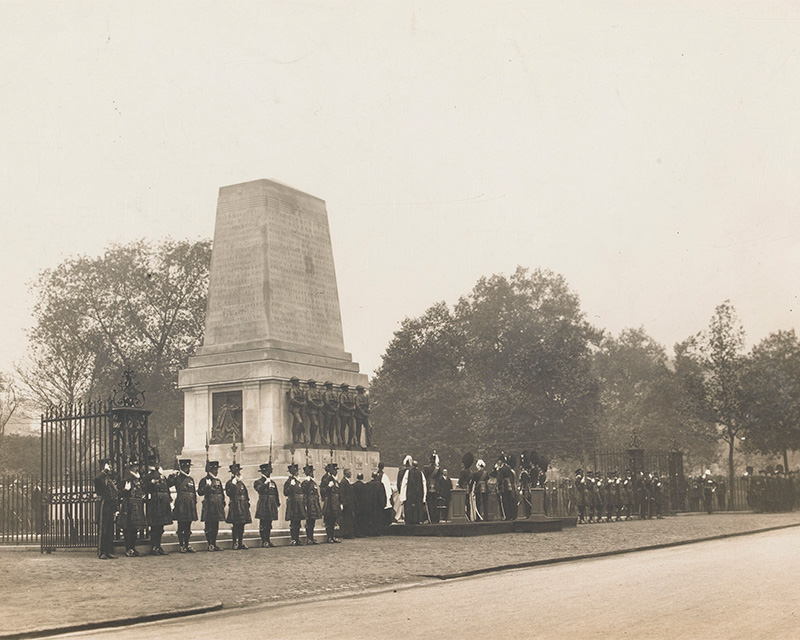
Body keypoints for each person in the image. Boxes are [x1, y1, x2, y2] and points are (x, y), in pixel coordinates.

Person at [144, 453, 172, 556]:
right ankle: (154, 546)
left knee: (160, 526)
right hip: (155, 502)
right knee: (155, 526)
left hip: (163, 502)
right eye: (154, 462)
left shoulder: (162, 476)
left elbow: (166, 487)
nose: (156, 464)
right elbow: (145, 489)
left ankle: (158, 546)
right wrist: (151, 483)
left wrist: (169, 498)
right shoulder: (148, 476)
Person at [169, 458, 198, 553]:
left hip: (189, 504)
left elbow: (193, 492)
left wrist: (194, 503)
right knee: (181, 525)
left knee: (188, 526)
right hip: (181, 504)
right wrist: (172, 475)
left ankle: (187, 544)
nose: (188, 469)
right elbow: (168, 484)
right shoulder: (177, 478)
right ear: (182, 467)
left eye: (188, 467)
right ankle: (181, 545)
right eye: (186, 467)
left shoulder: (191, 479)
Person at [119, 459, 146, 557]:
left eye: (137, 466)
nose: (136, 468)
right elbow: (120, 494)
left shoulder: (138, 479)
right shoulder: (127, 480)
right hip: (129, 506)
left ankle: (133, 547)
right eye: (134, 467)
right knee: (128, 529)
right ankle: (128, 548)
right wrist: (126, 490)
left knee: (135, 529)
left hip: (137, 505)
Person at [197, 460, 226, 551]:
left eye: (217, 469)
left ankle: (214, 542)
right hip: (209, 505)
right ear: (210, 469)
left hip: (217, 506)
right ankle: (210, 544)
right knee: (209, 525)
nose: (216, 471)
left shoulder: (218, 481)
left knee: (215, 525)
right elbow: (200, 492)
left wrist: (222, 502)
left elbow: (221, 492)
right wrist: (206, 487)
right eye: (214, 469)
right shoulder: (204, 480)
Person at [94, 458, 119, 559]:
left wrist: (115, 508)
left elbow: (114, 493)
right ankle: (101, 552)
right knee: (102, 528)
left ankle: (108, 550)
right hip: (103, 504)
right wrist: (104, 471)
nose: (111, 467)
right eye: (108, 465)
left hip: (109, 504)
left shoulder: (108, 478)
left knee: (109, 529)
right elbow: (96, 479)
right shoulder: (101, 477)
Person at [225, 462, 251, 550]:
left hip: (242, 505)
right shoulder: (230, 483)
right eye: (236, 472)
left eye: (239, 471)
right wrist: (233, 484)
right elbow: (229, 493)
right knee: (236, 525)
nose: (238, 473)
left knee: (242, 525)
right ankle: (235, 542)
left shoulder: (241, 483)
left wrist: (247, 502)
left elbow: (246, 494)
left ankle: (240, 542)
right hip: (235, 505)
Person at [254, 462, 280, 547]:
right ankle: (264, 540)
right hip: (263, 503)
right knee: (263, 523)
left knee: (269, 523)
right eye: (267, 471)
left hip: (271, 504)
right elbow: (260, 489)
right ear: (263, 472)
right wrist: (265, 483)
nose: (269, 473)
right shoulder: (258, 482)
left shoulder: (272, 482)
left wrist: (277, 503)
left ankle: (268, 540)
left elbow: (276, 493)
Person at [284, 463, 306, 545]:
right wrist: (291, 486)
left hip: (299, 503)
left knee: (298, 522)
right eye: (296, 471)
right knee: (293, 522)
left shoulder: (298, 481)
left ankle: (297, 538)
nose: (297, 472)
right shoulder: (289, 481)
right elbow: (285, 492)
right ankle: (293, 539)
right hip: (293, 503)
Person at [320, 462, 341, 543]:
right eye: (334, 470)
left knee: (333, 520)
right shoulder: (325, 478)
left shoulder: (334, 479)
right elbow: (322, 491)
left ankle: (332, 536)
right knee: (328, 520)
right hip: (328, 502)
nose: (336, 472)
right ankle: (329, 536)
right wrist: (328, 486)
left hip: (335, 501)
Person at [302, 463, 323, 544]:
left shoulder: (313, 482)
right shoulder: (305, 482)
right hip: (309, 503)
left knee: (312, 522)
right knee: (309, 522)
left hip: (314, 503)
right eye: (311, 472)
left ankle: (311, 537)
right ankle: (309, 538)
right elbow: (304, 492)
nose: (312, 474)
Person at [401, 459, 426, 524]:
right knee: (417, 506)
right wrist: (424, 496)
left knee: (410, 507)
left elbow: (404, 483)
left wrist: (402, 495)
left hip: (410, 493)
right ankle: (417, 520)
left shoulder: (408, 472)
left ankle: (409, 520)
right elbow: (424, 484)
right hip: (418, 493)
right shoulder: (420, 473)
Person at [423, 453, 443, 523]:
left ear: (429, 460)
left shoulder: (426, 468)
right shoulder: (439, 469)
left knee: (429, 503)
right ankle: (435, 519)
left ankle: (430, 518)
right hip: (436, 487)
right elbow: (440, 479)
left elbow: (424, 478)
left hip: (428, 487)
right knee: (435, 504)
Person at [287, 377, 307, 445]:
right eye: (297, 381)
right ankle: (295, 437)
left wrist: (304, 402)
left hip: (301, 409)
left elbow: (304, 398)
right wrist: (300, 403)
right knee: (299, 421)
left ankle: (298, 438)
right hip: (295, 408)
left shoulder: (300, 390)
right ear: (293, 382)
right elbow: (292, 399)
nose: (298, 382)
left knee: (298, 423)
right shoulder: (292, 390)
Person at [305, 380, 325, 445]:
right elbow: (309, 401)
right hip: (311, 410)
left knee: (318, 425)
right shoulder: (308, 392)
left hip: (318, 410)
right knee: (315, 424)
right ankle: (312, 440)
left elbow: (321, 400)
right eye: (313, 383)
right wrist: (317, 406)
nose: (315, 384)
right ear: (310, 384)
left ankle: (314, 440)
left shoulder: (317, 392)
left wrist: (321, 405)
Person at [339, 467, 356, 539]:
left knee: (349, 518)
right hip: (346, 504)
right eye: (349, 472)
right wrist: (343, 503)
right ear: (345, 473)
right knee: (346, 519)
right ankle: (346, 533)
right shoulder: (343, 482)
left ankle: (348, 532)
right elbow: (342, 493)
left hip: (349, 503)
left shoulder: (347, 481)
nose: (351, 473)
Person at [338, 383, 356, 448]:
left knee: (352, 428)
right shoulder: (342, 395)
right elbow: (342, 404)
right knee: (343, 428)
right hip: (344, 413)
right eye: (346, 387)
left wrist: (353, 408)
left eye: (347, 387)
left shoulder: (350, 395)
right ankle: (343, 442)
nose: (347, 388)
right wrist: (349, 408)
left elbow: (353, 403)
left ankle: (349, 441)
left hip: (350, 414)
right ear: (343, 388)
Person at [377, 461, 394, 528]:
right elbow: (387, 488)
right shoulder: (384, 476)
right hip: (384, 495)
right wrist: (389, 496)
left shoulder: (376, 475)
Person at [322, 381, 340, 446]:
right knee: (326, 426)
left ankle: (332, 441)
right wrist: (333, 409)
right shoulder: (326, 394)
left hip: (334, 412)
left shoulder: (334, 394)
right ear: (327, 386)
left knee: (332, 427)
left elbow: (338, 402)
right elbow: (327, 403)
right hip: (328, 412)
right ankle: (324, 440)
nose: (331, 386)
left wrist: (336, 409)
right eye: (330, 385)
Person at [352, 472, 368, 537]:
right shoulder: (364, 486)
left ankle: (356, 532)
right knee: (361, 519)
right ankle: (361, 532)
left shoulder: (354, 485)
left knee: (356, 519)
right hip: (362, 505)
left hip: (356, 504)